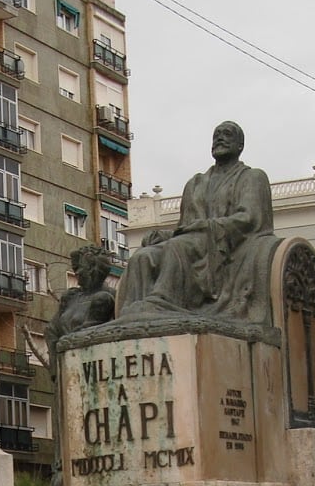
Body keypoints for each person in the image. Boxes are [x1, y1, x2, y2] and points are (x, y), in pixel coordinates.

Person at [108, 121, 277, 332]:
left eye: (227, 134)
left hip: (225, 243)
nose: (220, 138)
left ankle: (162, 301)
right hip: (194, 240)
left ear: (240, 145)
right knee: (143, 256)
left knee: (177, 247)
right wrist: (165, 234)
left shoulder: (252, 177)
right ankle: (133, 313)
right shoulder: (196, 182)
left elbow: (250, 218)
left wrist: (209, 227)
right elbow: (185, 227)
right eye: (216, 135)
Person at [46, 246, 116, 486]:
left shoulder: (107, 298)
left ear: (96, 269)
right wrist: (57, 363)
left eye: (82, 269)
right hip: (66, 370)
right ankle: (62, 473)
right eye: (76, 270)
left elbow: (106, 331)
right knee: (65, 424)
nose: (79, 274)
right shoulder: (70, 298)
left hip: (95, 373)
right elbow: (52, 329)